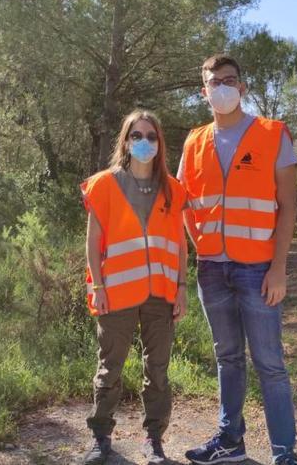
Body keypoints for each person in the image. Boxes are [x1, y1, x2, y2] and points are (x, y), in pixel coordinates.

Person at [178, 54, 297, 465]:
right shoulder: (194, 141)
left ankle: (285, 454)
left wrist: (279, 269)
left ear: (243, 88)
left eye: (229, 80)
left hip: (258, 270)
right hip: (212, 269)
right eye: (214, 82)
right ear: (204, 91)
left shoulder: (271, 133)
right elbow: (183, 203)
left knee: (270, 364)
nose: (222, 87)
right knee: (227, 358)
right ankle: (231, 442)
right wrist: (201, 248)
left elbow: (287, 207)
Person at [80, 110, 188, 465]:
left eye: (151, 136)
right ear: (125, 141)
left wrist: (183, 286)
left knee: (156, 371)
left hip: (161, 294)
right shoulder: (104, 184)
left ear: (160, 143)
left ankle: (154, 441)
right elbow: (93, 242)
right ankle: (100, 438)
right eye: (137, 135)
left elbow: (181, 243)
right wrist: (97, 285)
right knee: (110, 368)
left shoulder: (173, 189)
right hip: (116, 292)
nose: (145, 142)